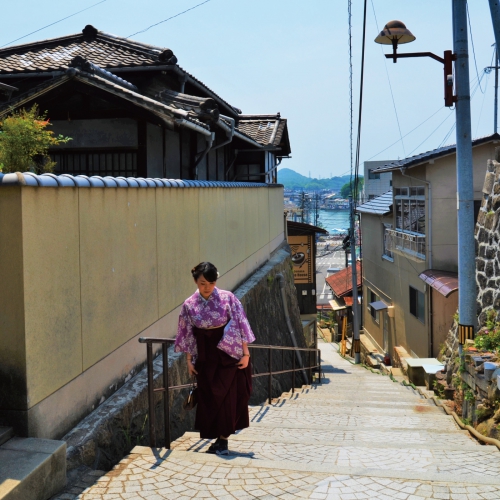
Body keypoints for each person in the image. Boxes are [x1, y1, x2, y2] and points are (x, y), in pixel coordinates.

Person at [174, 262, 255, 455]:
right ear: (195, 281)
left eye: (211, 282)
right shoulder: (189, 304)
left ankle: (223, 439)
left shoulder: (228, 298)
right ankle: (218, 438)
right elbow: (187, 334)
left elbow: (241, 324)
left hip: (229, 354)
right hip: (205, 355)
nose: (207, 287)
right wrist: (189, 361)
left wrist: (246, 354)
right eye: (203, 283)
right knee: (209, 397)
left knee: (229, 397)